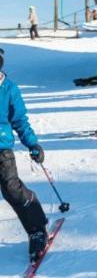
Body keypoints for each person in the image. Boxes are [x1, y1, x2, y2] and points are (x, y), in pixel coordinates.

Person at [0, 47, 51, 262]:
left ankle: (37, 228)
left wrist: (33, 144)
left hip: (1, 148)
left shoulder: (9, 89)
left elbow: (20, 121)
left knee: (11, 189)